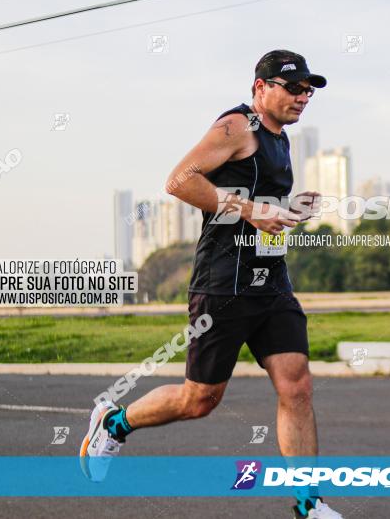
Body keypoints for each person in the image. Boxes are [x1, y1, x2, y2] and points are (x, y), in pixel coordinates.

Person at [80, 50, 343, 518]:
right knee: (199, 399)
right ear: (261, 88)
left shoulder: (282, 140)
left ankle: (308, 504)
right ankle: (114, 422)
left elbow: (257, 205)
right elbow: (179, 181)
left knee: (296, 385)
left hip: (271, 283)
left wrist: (288, 208)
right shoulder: (236, 126)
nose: (304, 97)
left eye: (308, 89)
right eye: (294, 87)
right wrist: (251, 210)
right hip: (223, 285)